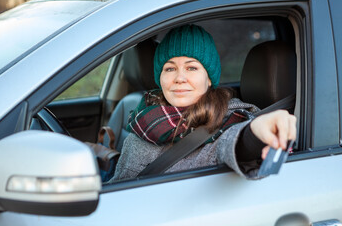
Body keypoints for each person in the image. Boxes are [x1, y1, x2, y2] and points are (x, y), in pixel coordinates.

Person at [108, 24, 296, 182]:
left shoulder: (227, 120)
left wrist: (255, 133)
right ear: (160, 78)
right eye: (170, 68)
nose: (180, 78)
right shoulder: (142, 121)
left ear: (208, 79)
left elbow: (234, 142)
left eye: (191, 67)